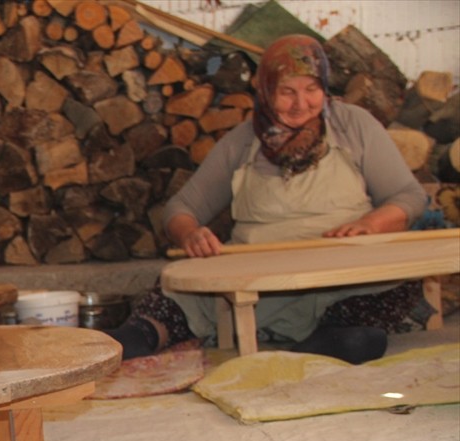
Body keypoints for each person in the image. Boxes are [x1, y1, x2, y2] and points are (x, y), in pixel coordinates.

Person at [108, 34, 428, 364]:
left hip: (339, 279)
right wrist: (190, 233)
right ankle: (139, 336)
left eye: (311, 90)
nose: (301, 104)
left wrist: (371, 223)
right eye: (287, 91)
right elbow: (180, 208)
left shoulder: (354, 125)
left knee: (400, 283)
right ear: (265, 90)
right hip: (258, 280)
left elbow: (408, 195)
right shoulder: (243, 141)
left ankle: (334, 336)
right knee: (174, 290)